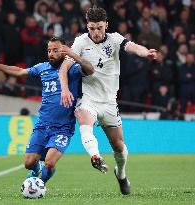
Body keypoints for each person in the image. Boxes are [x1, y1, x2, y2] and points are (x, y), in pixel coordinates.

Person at [59, 6, 157, 195]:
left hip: (110, 103)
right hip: (89, 98)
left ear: (106, 25)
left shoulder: (115, 39)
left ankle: (120, 174)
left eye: (100, 28)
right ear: (87, 26)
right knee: (83, 119)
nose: (96, 32)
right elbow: (64, 67)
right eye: (92, 28)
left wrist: (146, 53)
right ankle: (95, 156)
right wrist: (64, 89)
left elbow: (133, 47)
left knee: (119, 146)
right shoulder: (80, 42)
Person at [0, 37, 94, 185]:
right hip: (42, 125)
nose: (51, 53)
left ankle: (40, 184)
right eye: (49, 51)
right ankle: (35, 169)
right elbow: (19, 72)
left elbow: (90, 69)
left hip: (62, 128)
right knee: (28, 162)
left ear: (63, 50)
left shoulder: (71, 68)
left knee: (50, 162)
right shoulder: (42, 67)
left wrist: (73, 55)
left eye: (55, 50)